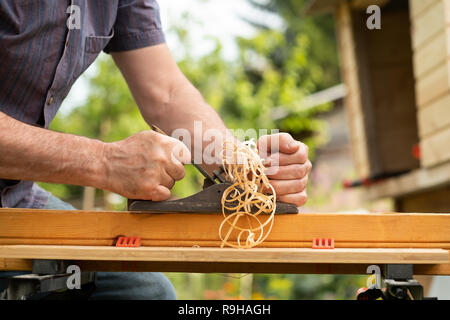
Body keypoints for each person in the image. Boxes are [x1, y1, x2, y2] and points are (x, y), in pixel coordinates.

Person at [0, 0, 312, 299]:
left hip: (14, 199)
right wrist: (104, 162)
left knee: (144, 292)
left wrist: (242, 168)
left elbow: (165, 92)